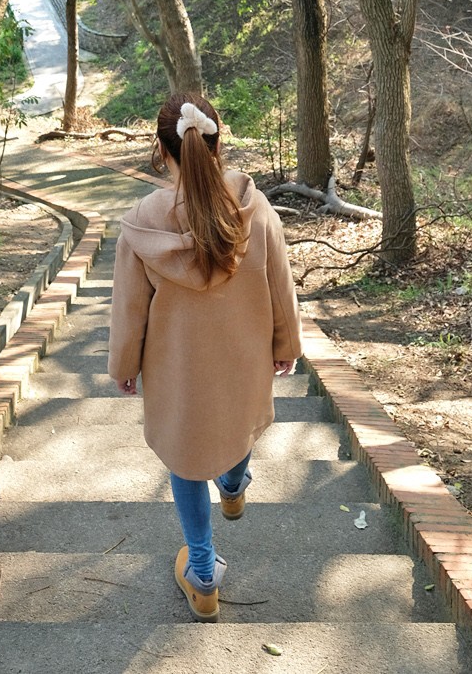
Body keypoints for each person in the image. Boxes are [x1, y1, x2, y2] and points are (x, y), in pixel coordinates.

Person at [108, 91, 303, 623]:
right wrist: (286, 344)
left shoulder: (142, 223)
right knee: (235, 425)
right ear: (217, 143)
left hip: (177, 371)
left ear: (162, 149)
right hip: (243, 357)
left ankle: (202, 573)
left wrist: (125, 366)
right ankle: (236, 484)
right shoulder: (252, 208)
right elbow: (278, 282)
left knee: (186, 457)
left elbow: (130, 308)